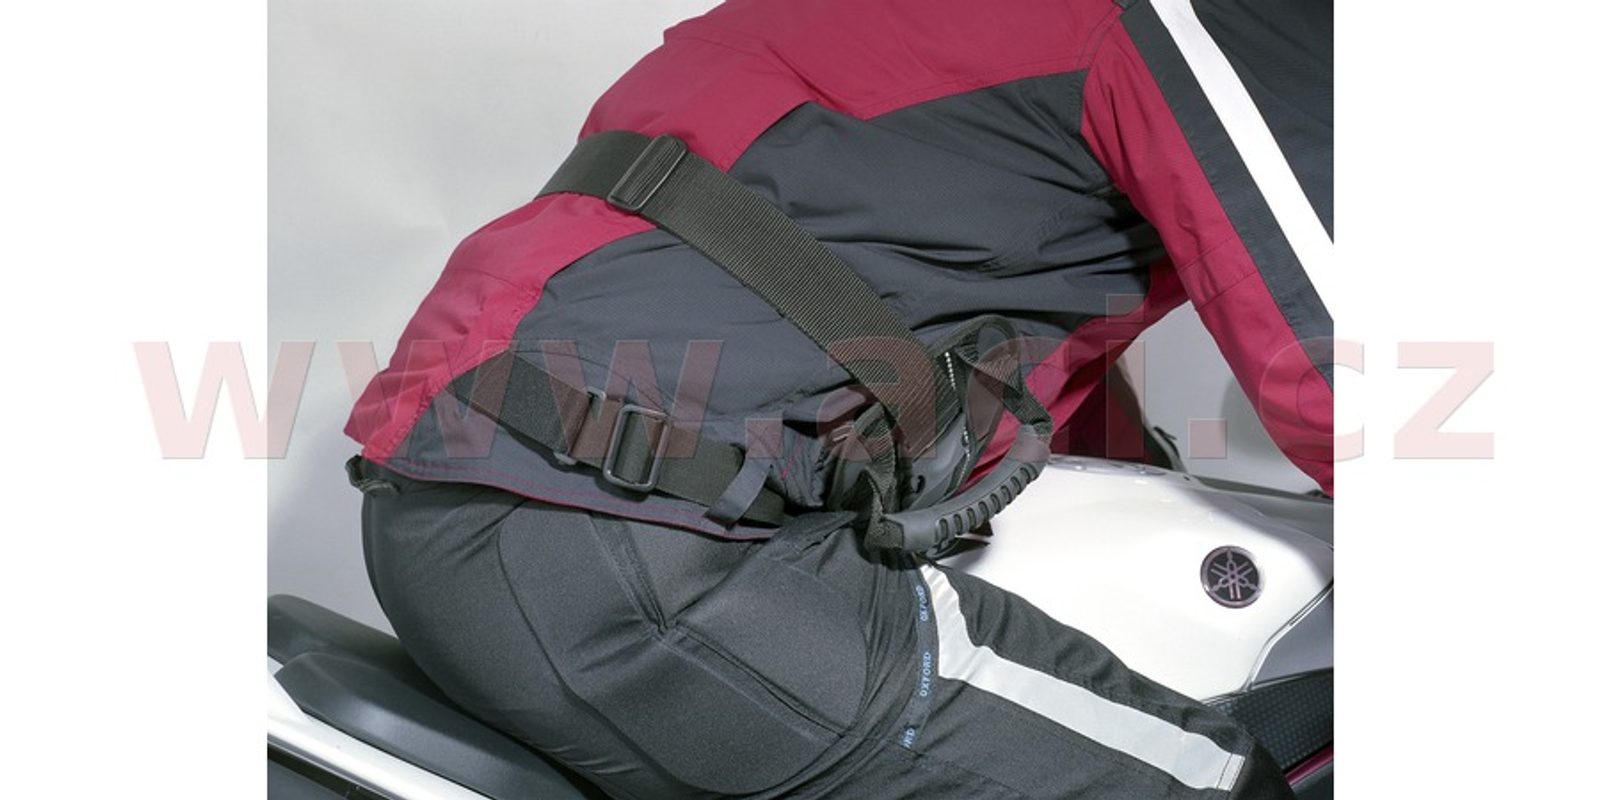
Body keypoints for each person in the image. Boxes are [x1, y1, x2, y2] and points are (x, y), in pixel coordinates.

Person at [345, 0, 1331, 796]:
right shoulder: (1197, 21)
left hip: (512, 488)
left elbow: (956, 311)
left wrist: (1153, 494)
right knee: (1208, 783)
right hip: (640, 540)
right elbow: (1336, 368)